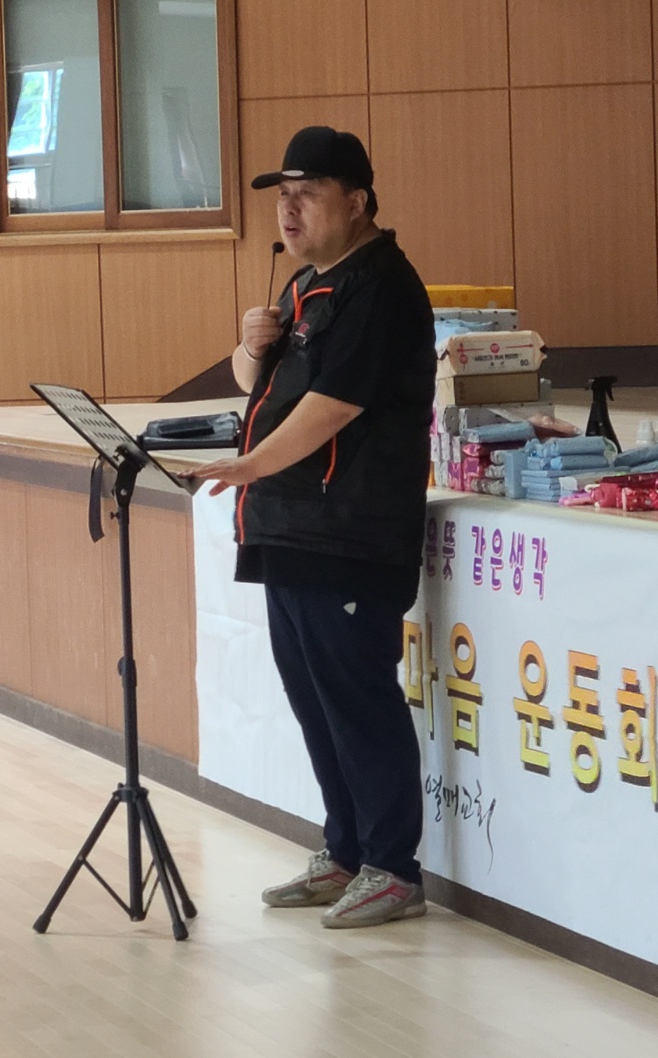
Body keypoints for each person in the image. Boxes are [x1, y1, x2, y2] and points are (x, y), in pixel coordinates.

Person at [187, 126, 435, 929]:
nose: (289, 211)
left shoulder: (381, 287)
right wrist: (247, 347)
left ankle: (392, 867)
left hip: (350, 532)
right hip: (288, 527)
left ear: (357, 202)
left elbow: (335, 406)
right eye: (282, 198)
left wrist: (251, 464)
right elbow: (259, 384)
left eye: (308, 195)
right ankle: (345, 850)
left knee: (357, 700)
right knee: (314, 701)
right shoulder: (305, 286)